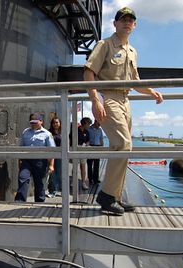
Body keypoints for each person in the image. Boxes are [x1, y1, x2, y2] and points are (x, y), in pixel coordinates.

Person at [83, 7, 163, 215]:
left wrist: (152, 92)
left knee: (124, 148)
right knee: (123, 144)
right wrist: (95, 100)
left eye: (131, 20)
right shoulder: (105, 45)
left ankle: (115, 195)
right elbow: (89, 72)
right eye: (123, 20)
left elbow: (135, 82)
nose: (127, 23)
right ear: (115, 23)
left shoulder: (132, 51)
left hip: (125, 101)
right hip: (108, 97)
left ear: (134, 25)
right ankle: (107, 196)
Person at [15, 113, 55, 202]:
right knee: (22, 178)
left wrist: (51, 165)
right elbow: (21, 147)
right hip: (26, 161)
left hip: (40, 161)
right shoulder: (25, 132)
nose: (33, 124)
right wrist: (19, 161)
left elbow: (52, 151)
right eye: (31, 122)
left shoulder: (47, 134)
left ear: (41, 122)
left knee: (39, 183)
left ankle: (40, 202)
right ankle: (19, 201)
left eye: (35, 122)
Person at [70, 117, 92, 190]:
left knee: (83, 167)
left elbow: (88, 140)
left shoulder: (87, 132)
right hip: (75, 150)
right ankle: (73, 181)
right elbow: (71, 140)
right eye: (89, 124)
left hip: (83, 150)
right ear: (85, 123)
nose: (89, 126)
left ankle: (83, 182)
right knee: (75, 167)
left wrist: (86, 144)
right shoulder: (75, 131)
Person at [47, 116, 61, 197]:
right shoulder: (49, 133)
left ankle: (59, 189)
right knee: (52, 173)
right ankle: (52, 191)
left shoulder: (62, 132)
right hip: (51, 155)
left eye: (57, 122)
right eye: (54, 122)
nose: (55, 124)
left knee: (59, 173)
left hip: (60, 155)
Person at [87, 120, 104, 185]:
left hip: (98, 147)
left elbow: (101, 139)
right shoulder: (89, 129)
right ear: (95, 122)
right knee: (90, 164)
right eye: (99, 123)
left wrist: (102, 148)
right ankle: (90, 179)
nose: (100, 125)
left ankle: (96, 179)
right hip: (90, 146)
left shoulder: (100, 130)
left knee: (96, 164)